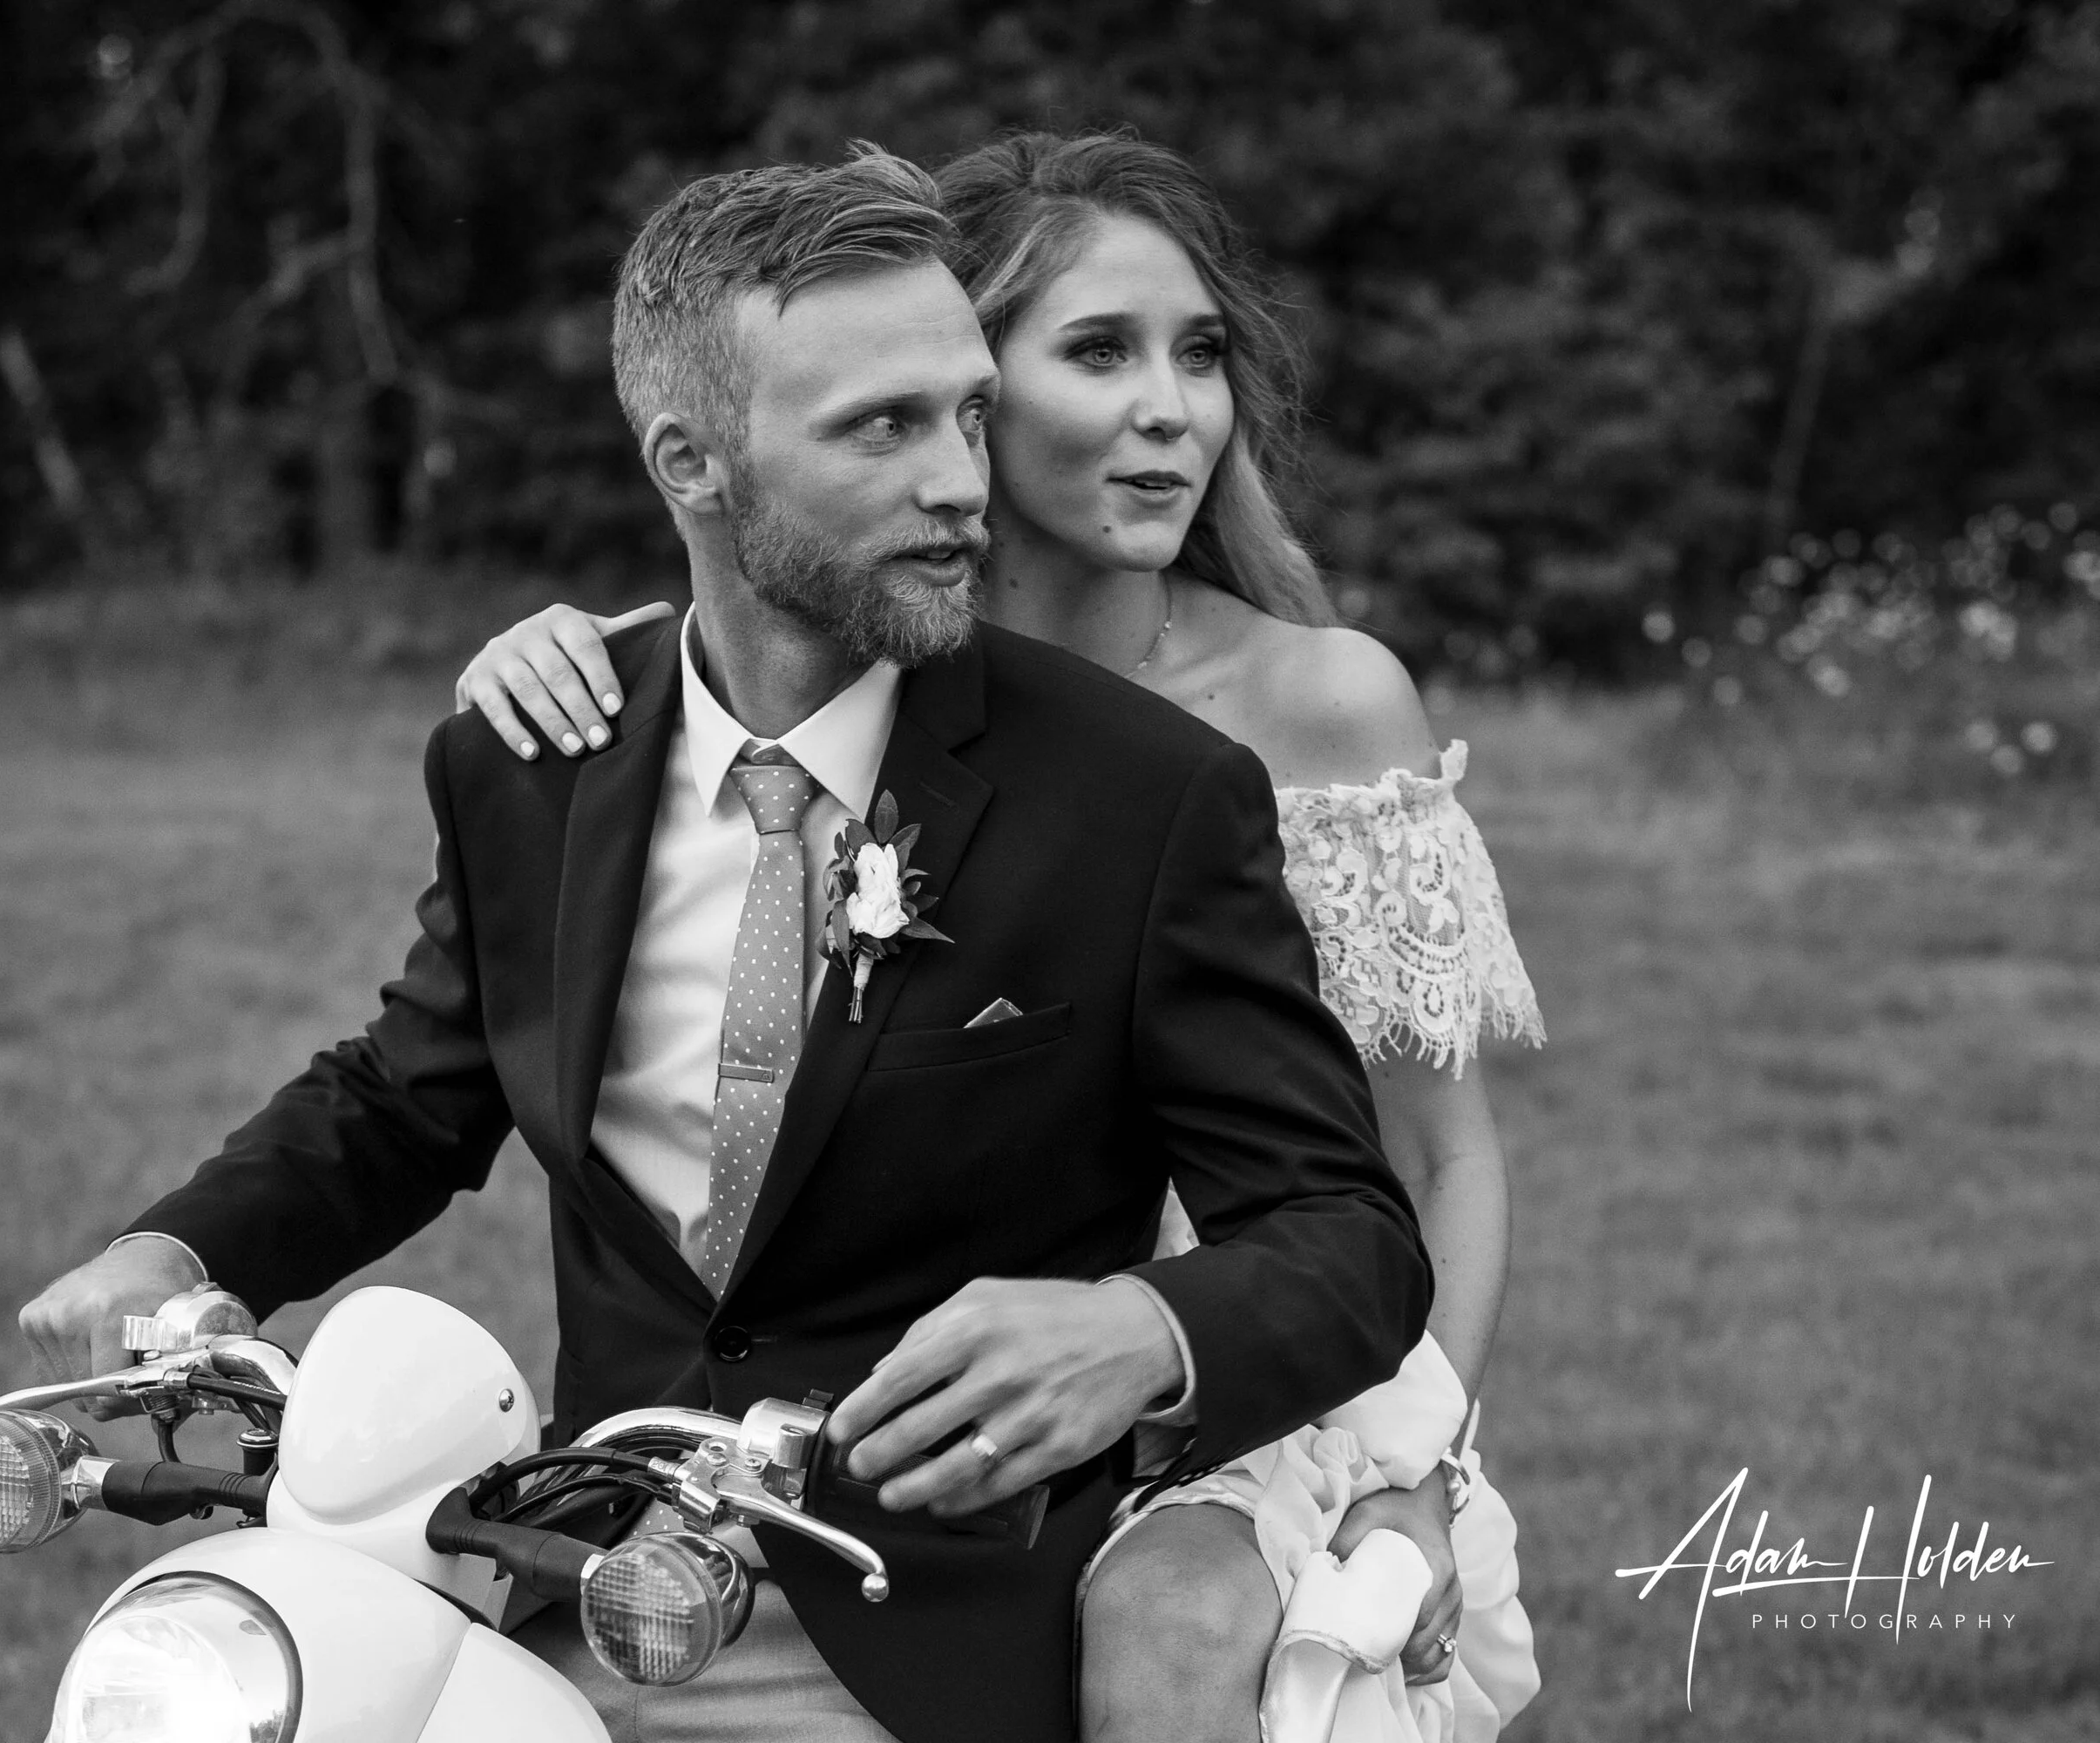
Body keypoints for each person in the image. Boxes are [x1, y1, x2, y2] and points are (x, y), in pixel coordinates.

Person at [17, 150, 1434, 1743]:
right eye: (881, 430)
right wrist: (183, 1250)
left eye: (966, 412)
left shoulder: (1144, 799)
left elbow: (1350, 1237)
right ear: (692, 461)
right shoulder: (530, 757)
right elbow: (410, 1094)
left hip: (924, 1628)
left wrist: (1147, 1330)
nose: (963, 483)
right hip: (555, 1571)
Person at [454, 131, 1545, 1743]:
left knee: (1171, 1631)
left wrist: (1412, 1484)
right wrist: (541, 664)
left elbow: (1430, 1170)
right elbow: (704, 652)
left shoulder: (1313, 704)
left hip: (1258, 1371)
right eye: (1096, 351)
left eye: (1201, 353)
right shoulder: (857, 660)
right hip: (890, 1382)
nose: (1171, 407)